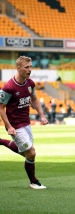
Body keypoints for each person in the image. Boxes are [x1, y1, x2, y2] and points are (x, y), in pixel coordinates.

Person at [0, 56, 48, 189]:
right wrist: (8, 126)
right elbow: (0, 107)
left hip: (26, 122)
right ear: (19, 68)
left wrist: (42, 116)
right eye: (27, 67)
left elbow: (35, 99)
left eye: (31, 67)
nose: (30, 70)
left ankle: (1, 141)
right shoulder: (9, 88)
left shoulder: (30, 83)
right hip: (15, 124)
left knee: (26, 152)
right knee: (31, 153)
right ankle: (33, 181)